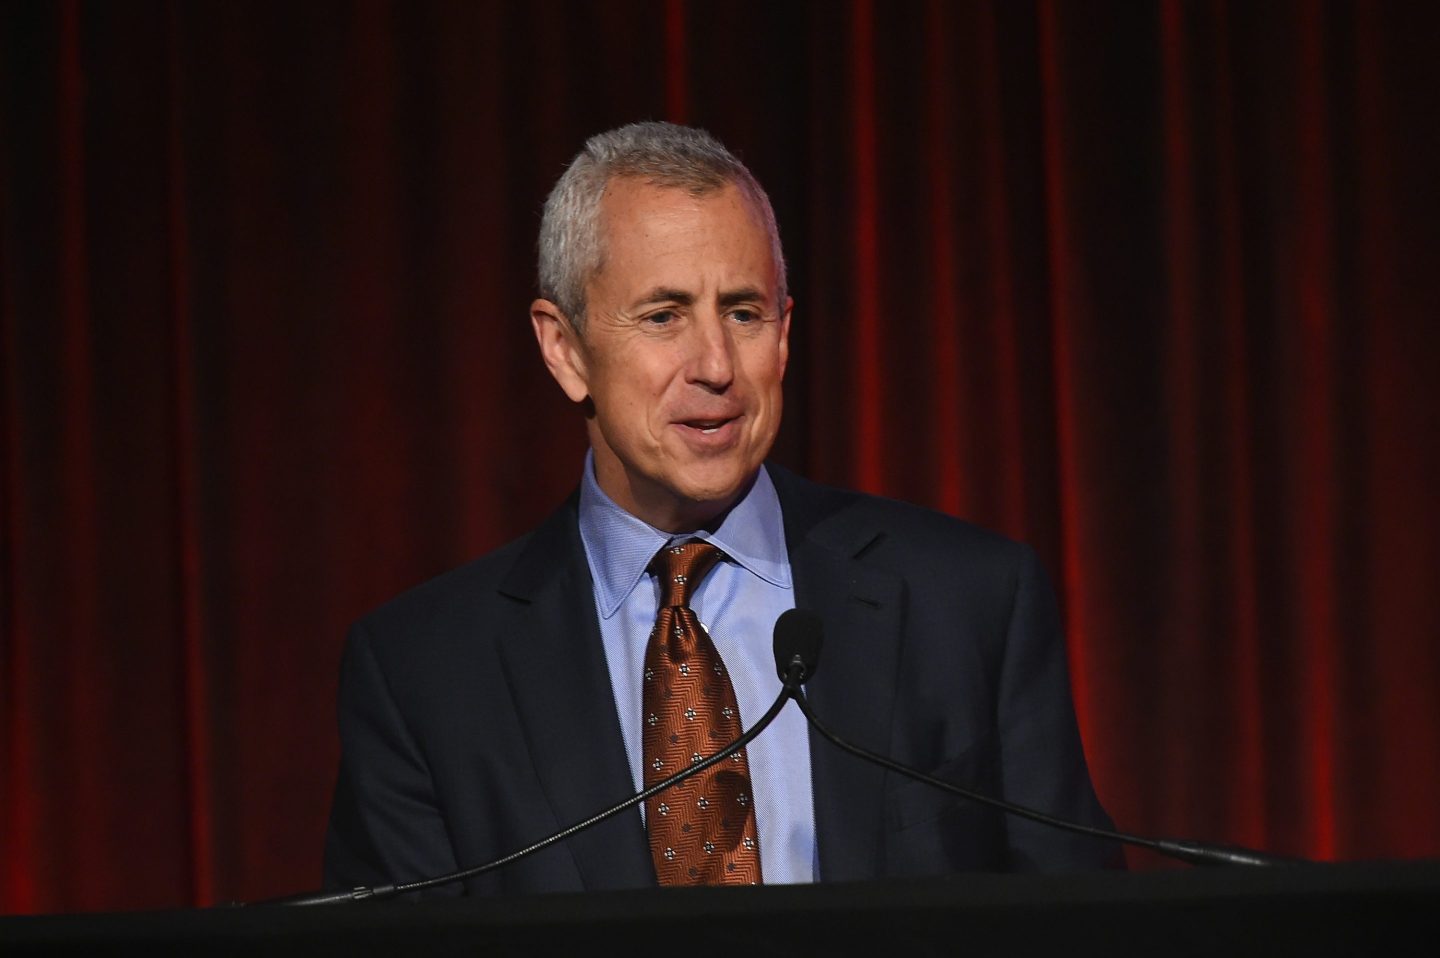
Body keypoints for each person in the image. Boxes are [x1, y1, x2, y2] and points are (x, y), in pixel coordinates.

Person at [323, 121, 1118, 896]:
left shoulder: (969, 601)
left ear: (783, 335)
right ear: (565, 350)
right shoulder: (424, 674)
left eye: (743, 313)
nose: (714, 366)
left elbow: (1080, 923)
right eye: (664, 316)